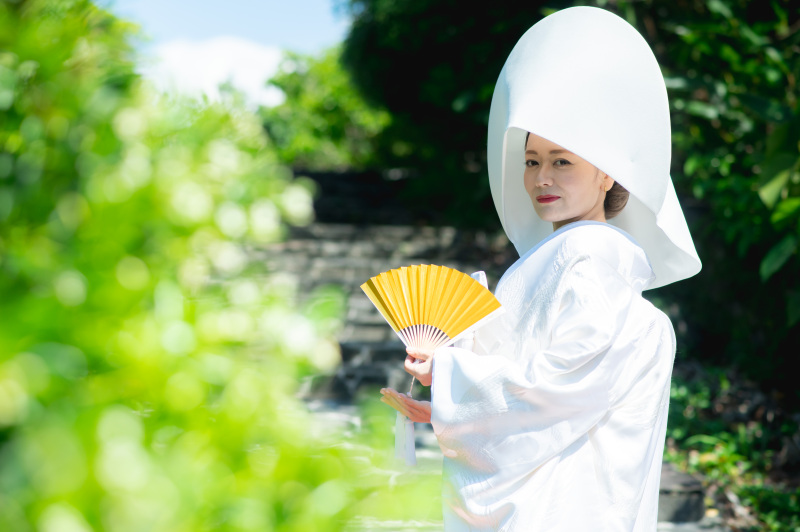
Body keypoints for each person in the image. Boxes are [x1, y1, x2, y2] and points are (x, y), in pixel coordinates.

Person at [380, 6, 702, 531]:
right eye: (531, 161)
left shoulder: (593, 258)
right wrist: (449, 404)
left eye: (562, 161)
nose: (541, 178)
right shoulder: (567, 258)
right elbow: (530, 384)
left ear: (606, 175)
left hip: (565, 502)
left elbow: (560, 385)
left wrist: (452, 376)